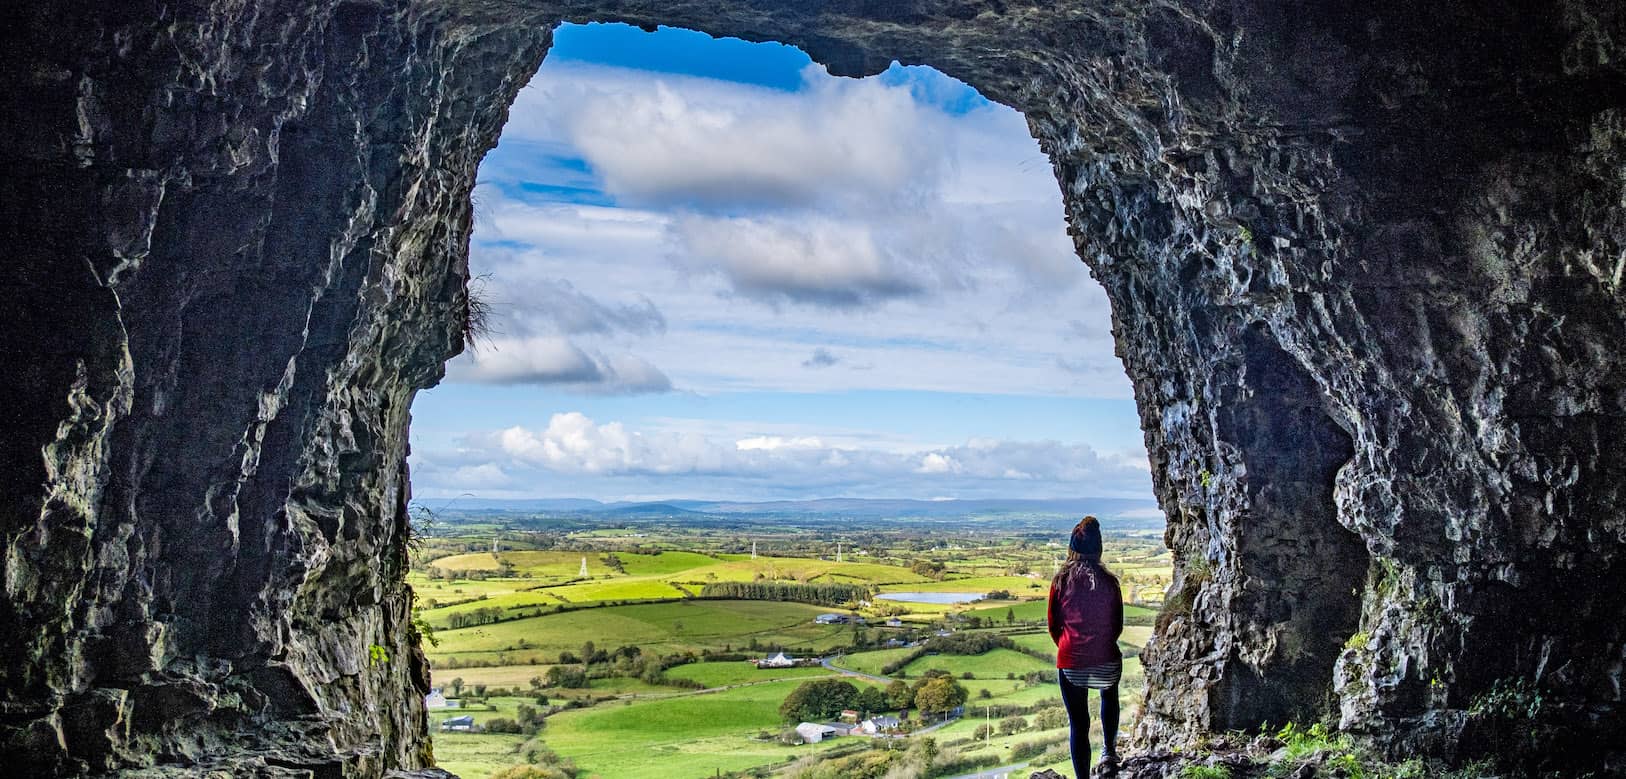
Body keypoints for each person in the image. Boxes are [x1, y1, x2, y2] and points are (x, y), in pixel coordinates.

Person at [1048, 516, 1124, 776]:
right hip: (1107, 662)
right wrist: (1099, 646)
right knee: (1109, 695)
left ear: (1071, 548)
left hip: (1072, 664)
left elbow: (1053, 625)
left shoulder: (1061, 581)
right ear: (1098, 548)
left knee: (1079, 724)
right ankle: (1109, 751)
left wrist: (1072, 647)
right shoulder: (1110, 582)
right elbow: (1117, 626)